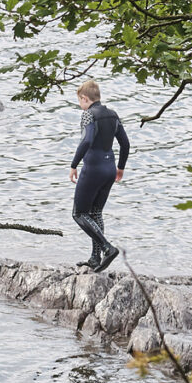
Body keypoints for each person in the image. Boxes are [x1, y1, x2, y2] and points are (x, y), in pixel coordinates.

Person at [68, 76, 130, 273]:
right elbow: (125, 143)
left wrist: (73, 165)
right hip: (109, 169)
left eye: (79, 101)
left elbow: (86, 141)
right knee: (95, 213)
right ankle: (95, 259)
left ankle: (107, 248)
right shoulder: (112, 114)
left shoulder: (88, 115)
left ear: (85, 98)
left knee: (78, 213)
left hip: (93, 168)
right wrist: (120, 167)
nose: (80, 105)